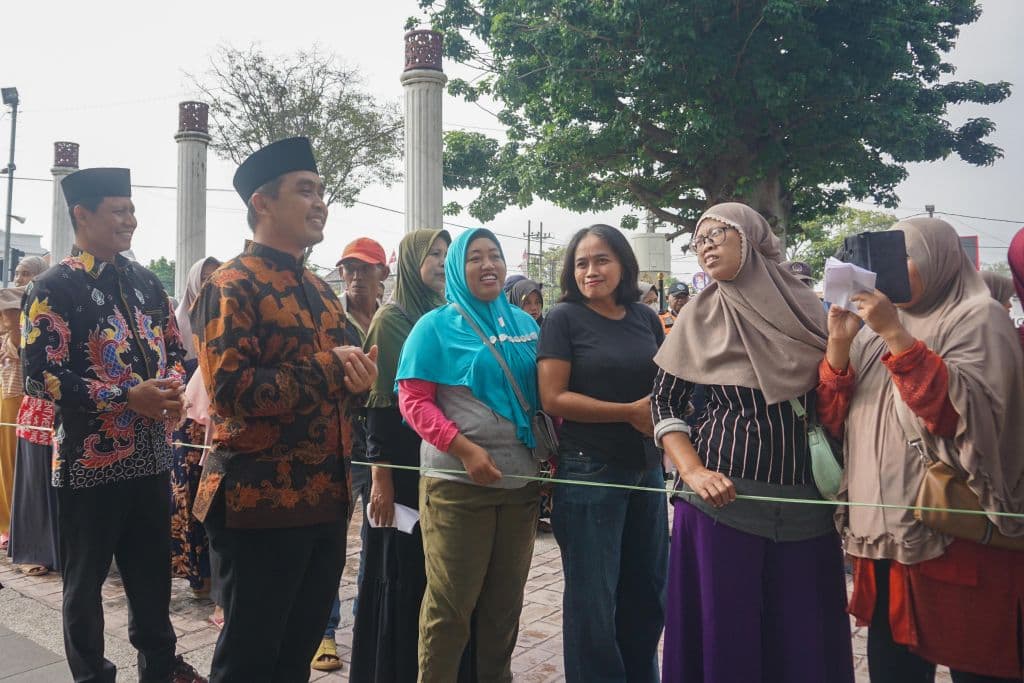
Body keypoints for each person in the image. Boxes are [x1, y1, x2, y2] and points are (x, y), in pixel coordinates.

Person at [190, 137, 378, 682]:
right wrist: (328, 368)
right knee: (249, 660)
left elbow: (341, 387)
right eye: (305, 190)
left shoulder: (322, 292)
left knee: (294, 658)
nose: (320, 201)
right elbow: (231, 391)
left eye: (321, 191)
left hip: (326, 501)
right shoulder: (230, 285)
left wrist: (360, 380)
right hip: (257, 506)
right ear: (262, 204)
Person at [651, 204, 853, 683]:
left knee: (800, 641)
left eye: (719, 231)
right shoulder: (699, 316)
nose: (706, 244)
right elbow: (664, 402)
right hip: (722, 508)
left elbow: (834, 400)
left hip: (805, 507)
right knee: (726, 638)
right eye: (698, 238)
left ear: (753, 236)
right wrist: (693, 471)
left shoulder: (808, 308)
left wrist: (841, 348)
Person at [818, 217, 1024, 683]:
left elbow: (959, 418)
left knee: (976, 663)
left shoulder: (977, 317)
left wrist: (896, 335)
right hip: (886, 534)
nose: (890, 272)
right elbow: (832, 416)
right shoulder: (873, 324)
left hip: (952, 531)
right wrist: (839, 343)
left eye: (904, 257)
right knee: (894, 667)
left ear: (939, 259)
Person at [21, 167, 205, 682]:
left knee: (152, 580)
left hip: (149, 460)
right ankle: (92, 675)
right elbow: (42, 378)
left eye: (131, 210)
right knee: (84, 586)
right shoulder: (52, 287)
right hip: (87, 466)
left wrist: (168, 389)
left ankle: (159, 669)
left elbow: (174, 351)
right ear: (82, 215)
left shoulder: (146, 282)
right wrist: (127, 397)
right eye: (118, 211)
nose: (131, 221)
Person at [396, 228, 541, 683]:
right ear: (458, 268)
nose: (488, 265)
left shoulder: (526, 323)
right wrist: (466, 449)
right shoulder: (435, 326)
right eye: (474, 257)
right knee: (450, 605)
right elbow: (413, 401)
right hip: (458, 487)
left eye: (494, 255)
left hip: (520, 488)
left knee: (505, 605)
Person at [537, 224, 668, 683]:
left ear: (623, 265)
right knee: (594, 603)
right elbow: (553, 397)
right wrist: (627, 412)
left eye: (602, 260)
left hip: (648, 469)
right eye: (581, 263)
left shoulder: (644, 317)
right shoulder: (563, 318)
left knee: (648, 594)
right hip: (590, 470)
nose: (591, 271)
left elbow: (669, 383)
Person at [351, 228, 477, 683]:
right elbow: (378, 405)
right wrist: (381, 477)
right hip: (401, 466)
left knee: (435, 575)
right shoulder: (392, 318)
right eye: (434, 254)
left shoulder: (447, 314)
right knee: (399, 572)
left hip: (437, 461)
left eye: (448, 254)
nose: (443, 262)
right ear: (410, 262)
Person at [313, 236, 389, 673]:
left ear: (383, 274)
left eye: (366, 268)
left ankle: (368, 621)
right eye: (350, 268)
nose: (357, 276)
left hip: (384, 451)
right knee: (331, 544)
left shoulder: (393, 320)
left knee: (377, 541)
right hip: (340, 445)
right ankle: (324, 632)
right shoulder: (328, 319)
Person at [169, 256, 221, 600]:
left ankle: (213, 576)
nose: (207, 283)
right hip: (187, 422)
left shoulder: (223, 317)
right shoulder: (177, 324)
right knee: (188, 495)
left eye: (213, 277)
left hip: (215, 420)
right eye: (202, 277)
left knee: (213, 496)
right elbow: (168, 369)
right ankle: (197, 576)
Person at [7, 255, 58, 576]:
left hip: (63, 411)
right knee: (34, 484)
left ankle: (56, 550)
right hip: (36, 409)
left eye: (26, 274)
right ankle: (33, 550)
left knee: (54, 486)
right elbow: (22, 353)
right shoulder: (21, 312)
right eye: (18, 274)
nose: (20, 279)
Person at [0, 286, 25, 552]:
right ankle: (6, 524)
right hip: (7, 401)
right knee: (7, 465)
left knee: (24, 467)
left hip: (26, 404)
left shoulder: (26, 334)